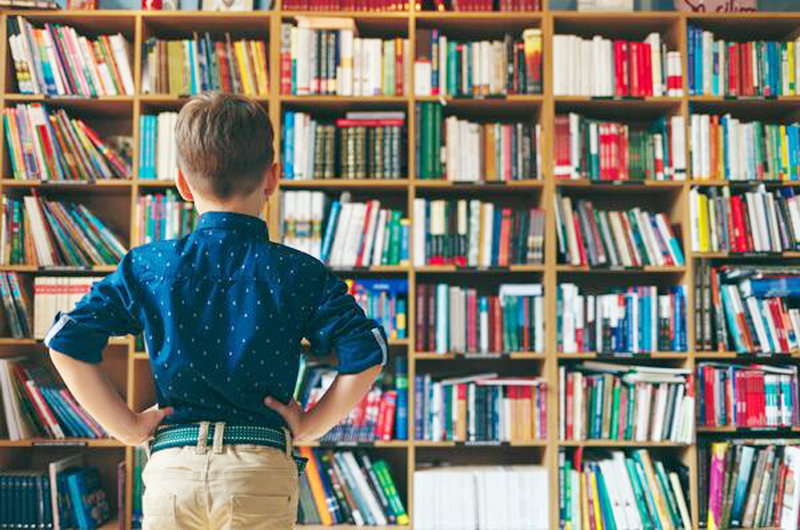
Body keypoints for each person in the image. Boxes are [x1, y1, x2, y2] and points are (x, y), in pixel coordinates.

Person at [45, 92, 386, 529]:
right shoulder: (298, 272)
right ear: (272, 179)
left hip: (174, 471)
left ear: (182, 185)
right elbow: (367, 352)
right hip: (258, 470)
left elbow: (66, 342)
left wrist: (128, 427)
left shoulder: (149, 267)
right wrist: (312, 426)